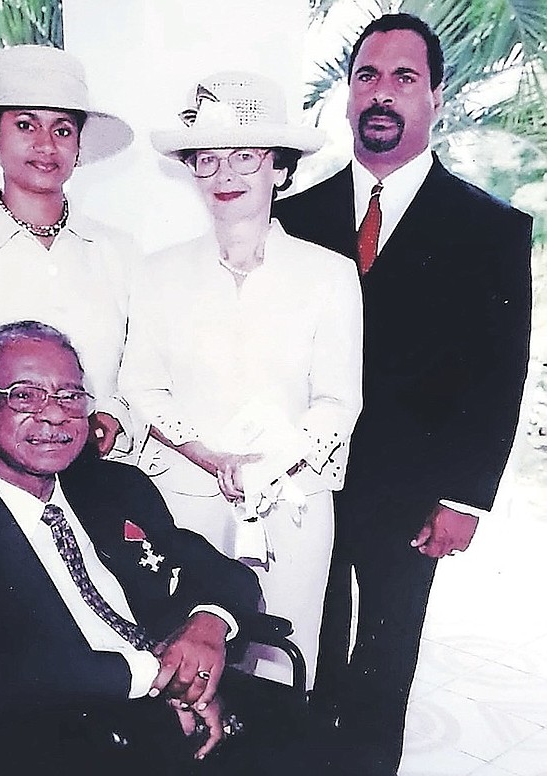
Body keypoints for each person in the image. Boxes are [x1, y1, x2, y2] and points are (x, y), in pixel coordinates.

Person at [274, 13, 533, 776]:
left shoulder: (491, 230)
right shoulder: (292, 220)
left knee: (384, 668)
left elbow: (499, 373)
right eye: (367, 76)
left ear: (436, 99)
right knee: (299, 655)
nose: (382, 94)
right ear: (349, 97)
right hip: (304, 488)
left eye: (404, 78)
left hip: (414, 495)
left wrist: (466, 497)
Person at [0, 320, 266, 776]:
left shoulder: (111, 486)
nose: (55, 415)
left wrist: (207, 626)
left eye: (70, 395)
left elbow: (224, 572)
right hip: (44, 747)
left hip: (179, 718)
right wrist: (161, 679)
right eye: (25, 395)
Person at [120, 71, 363, 691]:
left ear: (279, 169)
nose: (226, 175)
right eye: (209, 159)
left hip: (293, 502)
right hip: (186, 496)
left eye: (246, 158)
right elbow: (141, 385)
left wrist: (269, 463)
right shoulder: (156, 274)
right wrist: (209, 456)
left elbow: (339, 398)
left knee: (280, 661)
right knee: (181, 658)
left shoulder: (329, 275)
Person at [0, 44, 138, 457]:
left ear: (78, 144)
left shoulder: (117, 251)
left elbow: (140, 370)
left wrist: (114, 414)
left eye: (62, 129)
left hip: (103, 473)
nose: (46, 145)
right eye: (26, 125)